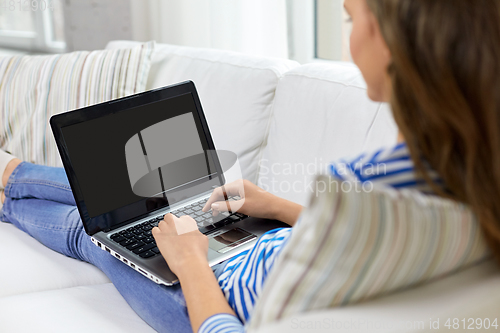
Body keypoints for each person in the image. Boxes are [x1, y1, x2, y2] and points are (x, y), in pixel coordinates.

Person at [1, 0, 500, 332]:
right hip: (261, 247)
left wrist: (191, 261)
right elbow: (368, 241)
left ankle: (6, 194)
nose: (351, 34)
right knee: (135, 205)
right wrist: (276, 206)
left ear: (391, 41)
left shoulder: (363, 186)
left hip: (204, 295)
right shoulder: (463, 180)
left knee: (96, 230)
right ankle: (15, 172)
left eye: (350, 18)